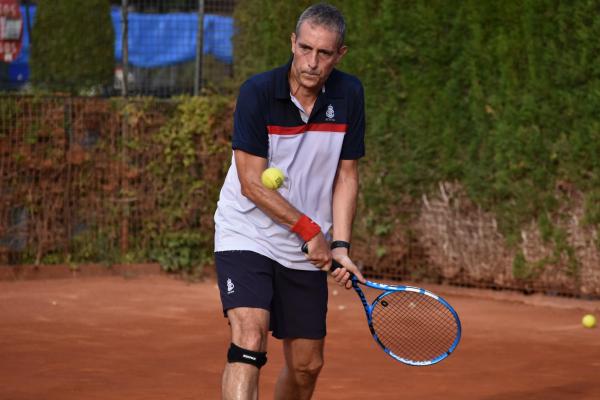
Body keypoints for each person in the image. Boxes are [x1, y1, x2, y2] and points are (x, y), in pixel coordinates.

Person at [214, 3, 366, 399]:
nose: (312, 62)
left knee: (306, 366)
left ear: (340, 54)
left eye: (324, 53)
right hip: (247, 230)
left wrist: (341, 246)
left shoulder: (349, 94)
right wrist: (309, 230)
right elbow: (251, 182)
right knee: (249, 337)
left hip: (305, 247)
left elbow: (346, 176)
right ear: (292, 43)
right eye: (305, 49)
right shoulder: (258, 92)